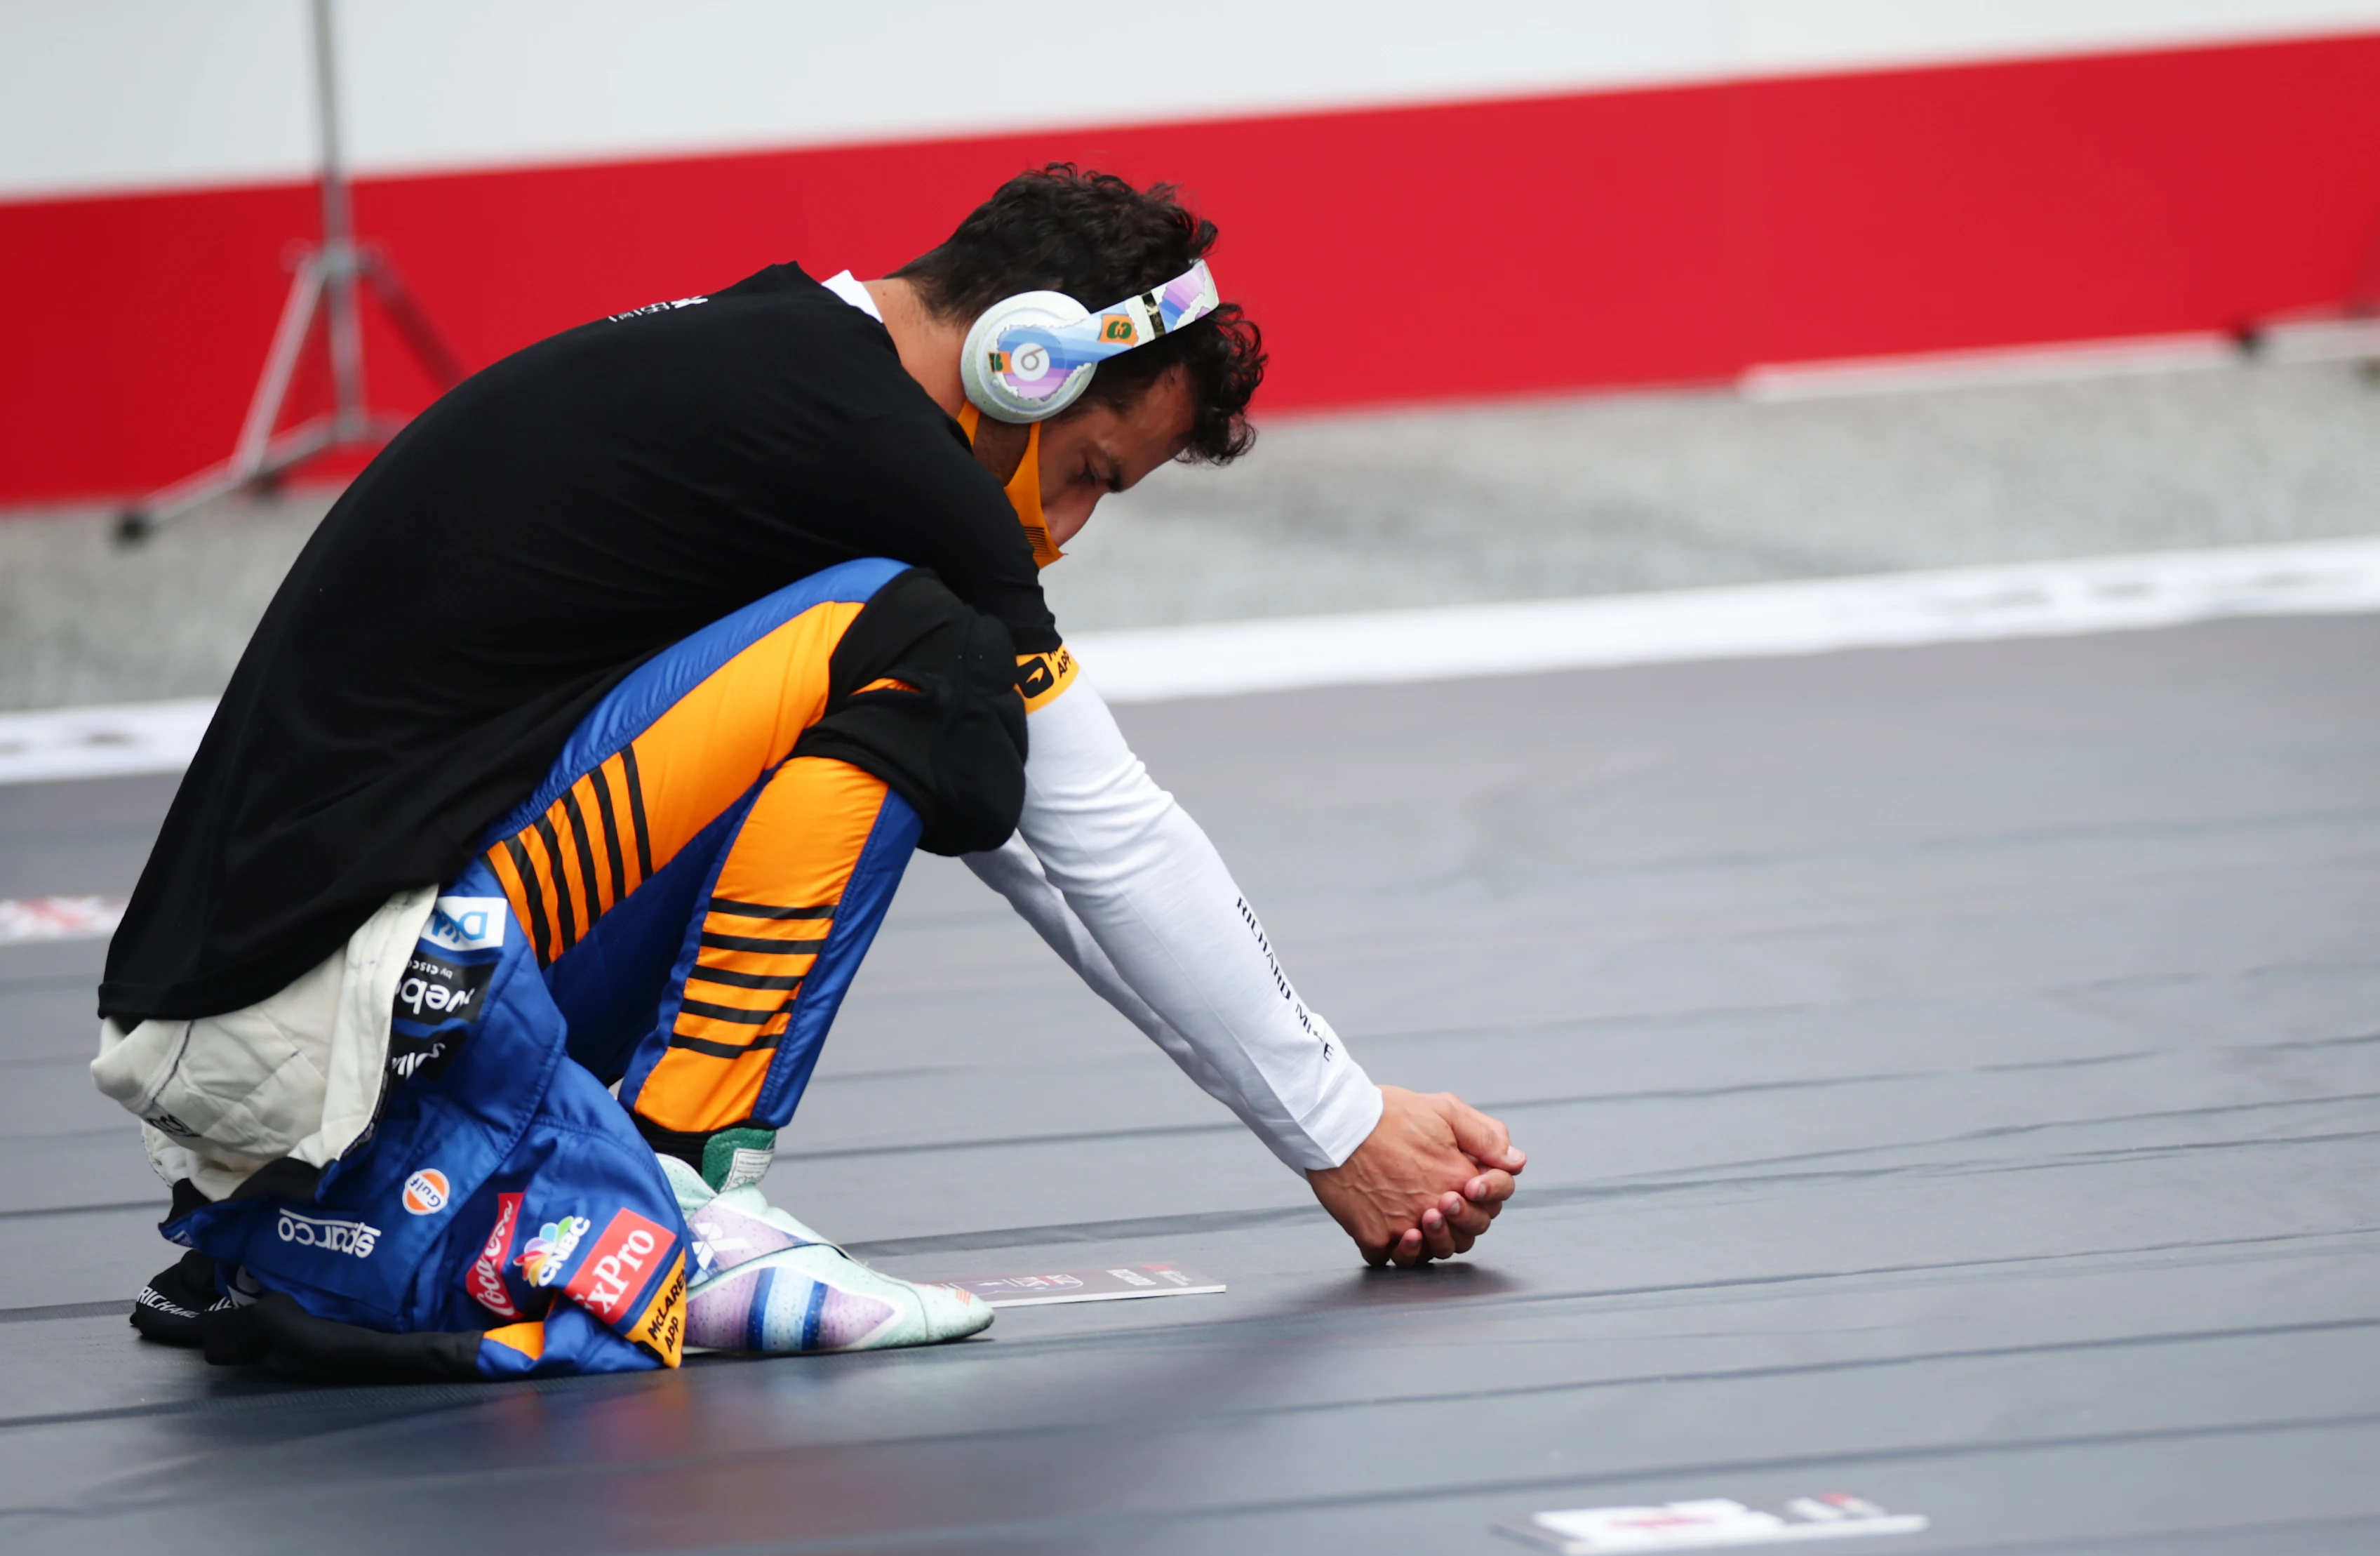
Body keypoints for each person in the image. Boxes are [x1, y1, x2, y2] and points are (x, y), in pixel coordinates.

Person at [95, 166, 1527, 1382]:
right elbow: (1096, 835)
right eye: (1089, 468)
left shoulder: (770, 377)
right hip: (336, 1015)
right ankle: (681, 1195)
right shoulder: (873, 452)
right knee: (921, 646)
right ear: (1017, 361)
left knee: (922, 675)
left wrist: (1330, 1118)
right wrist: (1340, 1129)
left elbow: (1025, 826)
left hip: (295, 1025)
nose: (1071, 526)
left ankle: (570, 1181)